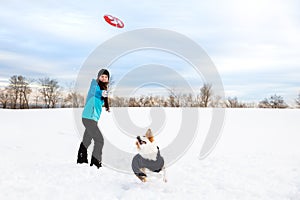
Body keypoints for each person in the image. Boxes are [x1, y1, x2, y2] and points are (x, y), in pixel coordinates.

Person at [77, 69, 110, 168]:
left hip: (92, 118)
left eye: (106, 77)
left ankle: (81, 159)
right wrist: (102, 93)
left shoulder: (103, 89)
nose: (103, 78)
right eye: (102, 76)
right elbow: (94, 92)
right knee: (99, 140)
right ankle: (96, 163)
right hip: (89, 118)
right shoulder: (95, 84)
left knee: (87, 139)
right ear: (98, 77)